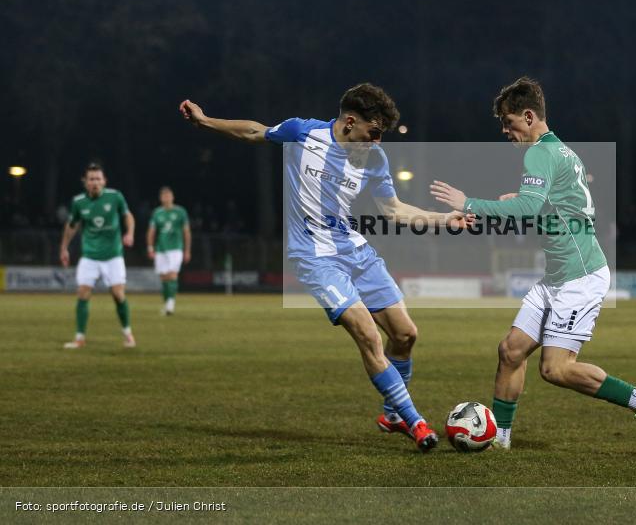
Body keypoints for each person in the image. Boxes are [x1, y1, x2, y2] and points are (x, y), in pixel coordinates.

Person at [179, 83, 466, 452]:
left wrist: (445, 220)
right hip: (315, 258)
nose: (377, 141)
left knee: (406, 334)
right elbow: (254, 130)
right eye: (373, 132)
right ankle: (416, 423)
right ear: (349, 122)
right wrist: (205, 122)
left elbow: (393, 211)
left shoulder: (374, 159)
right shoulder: (304, 132)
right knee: (368, 335)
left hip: (356, 250)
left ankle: (392, 415)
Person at [430, 77, 636, 455]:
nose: (505, 132)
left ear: (528, 116)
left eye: (508, 123)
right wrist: (526, 202)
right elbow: (552, 205)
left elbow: (530, 207)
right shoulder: (562, 151)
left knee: (555, 369)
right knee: (511, 350)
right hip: (557, 276)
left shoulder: (539, 153)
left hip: (579, 276)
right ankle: (502, 440)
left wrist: (469, 202)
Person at [59, 163, 136, 349]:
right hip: (90, 256)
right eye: (91, 179)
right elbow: (72, 225)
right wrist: (64, 248)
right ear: (85, 182)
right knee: (83, 293)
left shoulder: (115, 197)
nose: (95, 182)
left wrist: (130, 233)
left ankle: (127, 333)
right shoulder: (78, 202)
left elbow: (128, 216)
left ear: (104, 181)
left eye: (98, 179)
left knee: (118, 294)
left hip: (113, 256)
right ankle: (79, 338)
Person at [147, 186, 192, 315]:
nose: (166, 198)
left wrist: (187, 250)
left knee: (172, 275)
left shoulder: (180, 212)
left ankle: (171, 303)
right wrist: (150, 247)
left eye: (168, 195)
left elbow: (187, 232)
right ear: (160, 198)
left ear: (172, 197)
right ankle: (167, 303)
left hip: (176, 249)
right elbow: (151, 232)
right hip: (161, 249)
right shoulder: (157, 213)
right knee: (164, 277)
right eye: (163, 196)